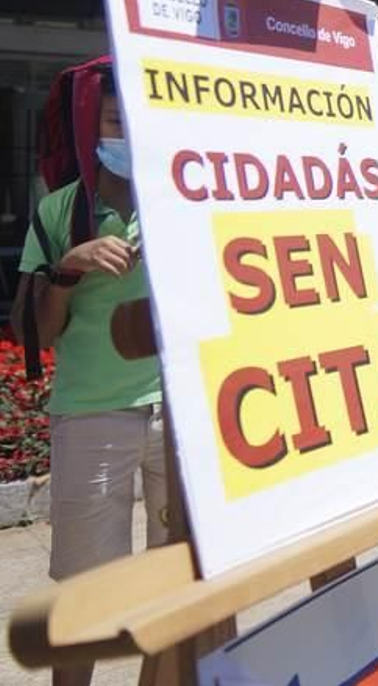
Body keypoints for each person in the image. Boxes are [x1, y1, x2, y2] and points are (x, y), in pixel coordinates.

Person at [14, 66, 168, 686]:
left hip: (180, 418)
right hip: (91, 417)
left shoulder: (186, 199)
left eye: (136, 118)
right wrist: (67, 270)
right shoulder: (60, 210)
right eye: (112, 120)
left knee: (175, 582)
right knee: (85, 593)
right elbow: (35, 332)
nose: (126, 131)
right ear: (90, 128)